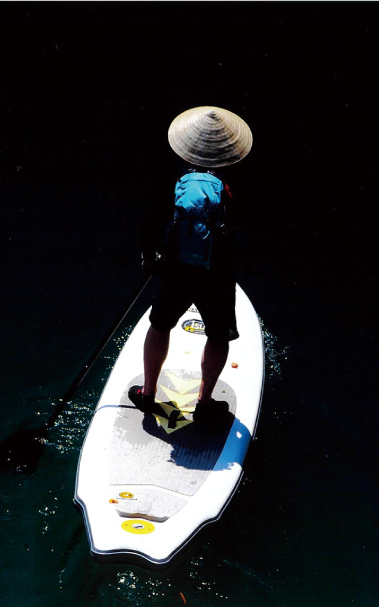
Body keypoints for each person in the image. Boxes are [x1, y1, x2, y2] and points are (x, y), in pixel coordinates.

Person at [128, 106, 253, 421]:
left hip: (174, 267)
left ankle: (148, 393)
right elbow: (242, 231)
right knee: (217, 334)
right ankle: (205, 402)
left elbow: (150, 220)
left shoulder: (175, 179)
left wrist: (149, 257)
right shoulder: (231, 186)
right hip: (216, 273)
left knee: (160, 325)